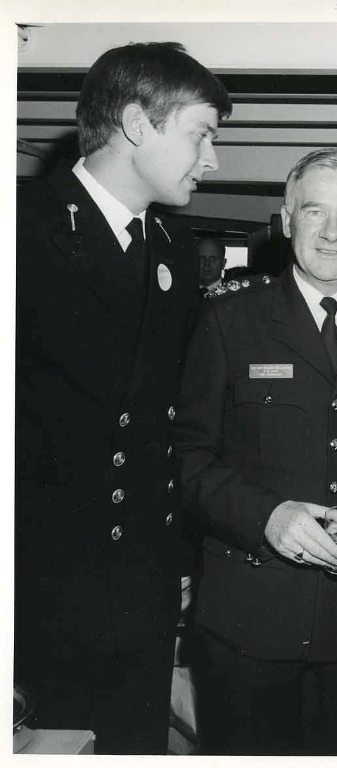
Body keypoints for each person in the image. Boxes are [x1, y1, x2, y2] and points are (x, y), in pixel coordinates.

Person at [173, 148, 337, 755]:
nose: (330, 231)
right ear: (286, 218)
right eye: (314, 211)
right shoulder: (227, 319)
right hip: (249, 614)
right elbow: (188, 457)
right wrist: (265, 516)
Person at [14, 42, 230, 754]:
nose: (213, 161)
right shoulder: (23, 229)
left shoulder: (172, 244)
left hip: (140, 581)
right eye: (201, 135)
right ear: (138, 124)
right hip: (39, 583)